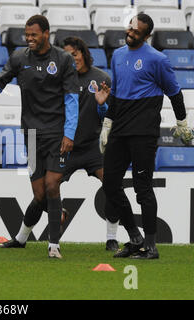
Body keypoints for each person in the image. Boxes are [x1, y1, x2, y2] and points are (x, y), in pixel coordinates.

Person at [0, 15, 79, 259]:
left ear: (46, 33)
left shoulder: (63, 60)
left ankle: (53, 245)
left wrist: (69, 133)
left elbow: (71, 99)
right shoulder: (19, 58)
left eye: (34, 35)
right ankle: (23, 238)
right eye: (27, 35)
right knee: (39, 194)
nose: (29, 39)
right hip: (32, 134)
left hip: (57, 134)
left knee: (52, 185)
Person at [100, 13, 194, 259]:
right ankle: (135, 238)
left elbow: (174, 93)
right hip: (119, 129)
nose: (130, 34)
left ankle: (151, 246)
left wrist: (182, 122)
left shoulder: (158, 60)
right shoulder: (118, 55)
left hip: (143, 132)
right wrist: (107, 124)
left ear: (147, 36)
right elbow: (117, 94)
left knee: (143, 188)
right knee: (110, 184)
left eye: (137, 33)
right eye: (130, 29)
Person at [61, 36, 120, 251]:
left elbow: (109, 115)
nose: (71, 59)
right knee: (44, 190)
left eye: (74, 54)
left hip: (93, 147)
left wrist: (102, 106)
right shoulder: (62, 79)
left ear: (83, 53)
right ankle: (21, 238)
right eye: (66, 56)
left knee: (112, 186)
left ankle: (112, 238)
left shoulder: (101, 78)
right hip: (66, 146)